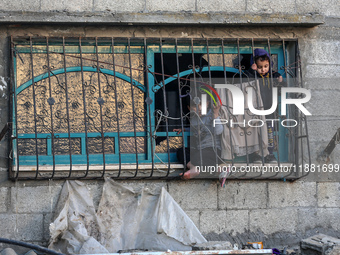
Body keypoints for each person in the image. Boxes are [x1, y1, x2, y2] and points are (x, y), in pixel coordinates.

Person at [245, 48, 283, 163]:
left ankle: (269, 154)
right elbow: (244, 82)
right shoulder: (251, 74)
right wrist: (252, 71)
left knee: (269, 133)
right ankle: (255, 155)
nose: (263, 70)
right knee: (255, 132)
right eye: (260, 67)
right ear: (254, 65)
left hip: (269, 109)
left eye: (265, 66)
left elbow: (280, 91)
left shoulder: (273, 75)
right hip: (255, 109)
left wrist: (280, 81)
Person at [174, 91, 223, 179]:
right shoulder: (193, 119)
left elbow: (218, 131)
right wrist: (185, 129)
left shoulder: (211, 115)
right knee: (181, 152)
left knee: (198, 157)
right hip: (200, 149)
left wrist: (216, 115)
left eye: (201, 104)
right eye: (194, 106)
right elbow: (196, 129)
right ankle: (194, 169)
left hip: (213, 150)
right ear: (189, 108)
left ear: (207, 104)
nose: (199, 108)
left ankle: (220, 168)